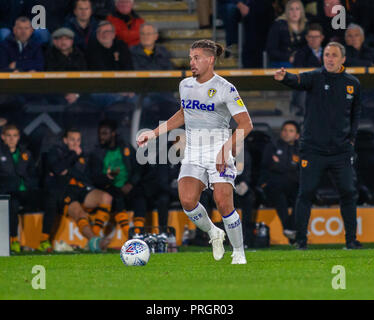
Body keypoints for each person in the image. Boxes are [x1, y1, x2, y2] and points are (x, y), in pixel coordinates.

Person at [137, 39, 254, 264]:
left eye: (196, 58)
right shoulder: (185, 85)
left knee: (223, 203)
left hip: (219, 149)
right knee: (188, 201)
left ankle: (238, 252)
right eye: (191, 58)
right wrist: (153, 133)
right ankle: (213, 232)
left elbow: (246, 124)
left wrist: (226, 149)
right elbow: (183, 114)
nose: (192, 62)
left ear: (210, 60)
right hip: (194, 152)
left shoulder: (225, 88)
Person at [274, 42, 363, 250]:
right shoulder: (314, 77)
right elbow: (297, 80)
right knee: (306, 193)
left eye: (334, 56)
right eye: (327, 55)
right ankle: (301, 241)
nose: (329, 59)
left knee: (349, 193)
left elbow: (356, 114)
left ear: (343, 59)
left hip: (341, 151)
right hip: (313, 150)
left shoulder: (353, 84)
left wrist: (351, 139)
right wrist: (284, 77)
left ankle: (351, 240)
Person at [45, 128, 112, 252]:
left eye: (78, 140)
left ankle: (95, 237)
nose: (76, 143)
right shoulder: (56, 152)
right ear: (65, 140)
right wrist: (73, 155)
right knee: (80, 214)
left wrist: (107, 177)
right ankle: (95, 241)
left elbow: (91, 177)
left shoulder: (85, 156)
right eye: (72, 140)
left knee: (106, 197)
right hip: (64, 192)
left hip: (82, 190)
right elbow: (58, 169)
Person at [88, 119, 143, 238]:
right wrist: (108, 177)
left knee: (140, 196)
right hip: (109, 188)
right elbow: (94, 178)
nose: (101, 137)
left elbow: (138, 168)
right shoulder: (97, 153)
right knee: (116, 197)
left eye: (104, 133)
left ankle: (138, 234)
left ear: (113, 133)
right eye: (100, 134)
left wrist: (130, 184)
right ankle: (129, 236)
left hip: (128, 186)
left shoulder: (126, 147)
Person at [0, 124, 41, 253]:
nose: (12, 139)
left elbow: (33, 173)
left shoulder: (25, 153)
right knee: (12, 205)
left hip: (25, 191)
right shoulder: (1, 153)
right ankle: (14, 240)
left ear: (18, 137)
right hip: (7, 191)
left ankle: (39, 241)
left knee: (45, 200)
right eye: (9, 136)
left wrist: (30, 183)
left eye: (15, 136)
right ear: (3, 137)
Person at [260, 120, 300, 243]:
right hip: (274, 184)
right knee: (278, 194)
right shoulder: (272, 146)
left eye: (291, 131)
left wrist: (279, 164)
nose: (286, 133)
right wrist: (288, 167)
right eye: (284, 130)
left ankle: (290, 228)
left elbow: (301, 169)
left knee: (302, 196)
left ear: (297, 135)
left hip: (293, 184)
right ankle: (289, 229)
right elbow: (267, 165)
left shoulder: (301, 149)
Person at [130, 23, 177, 127]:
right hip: (142, 93)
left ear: (156, 36)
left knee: (175, 107)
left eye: (149, 34)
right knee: (147, 107)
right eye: (143, 34)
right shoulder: (131, 52)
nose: (146, 36)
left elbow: (170, 73)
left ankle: (174, 141)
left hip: (163, 92)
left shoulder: (164, 52)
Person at [44, 27, 87, 105]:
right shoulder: (49, 56)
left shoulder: (79, 55)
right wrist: (65, 94)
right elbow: (50, 80)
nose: (63, 42)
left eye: (67, 39)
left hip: (78, 93)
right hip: (56, 94)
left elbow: (85, 78)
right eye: (60, 39)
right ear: (54, 41)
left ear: (72, 41)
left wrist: (76, 94)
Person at [266, 0, 307, 68]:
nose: (294, 12)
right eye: (291, 9)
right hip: (281, 62)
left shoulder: (306, 26)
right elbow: (271, 50)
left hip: (300, 61)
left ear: (301, 11)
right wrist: (288, 57)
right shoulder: (278, 25)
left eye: (297, 9)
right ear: (287, 11)